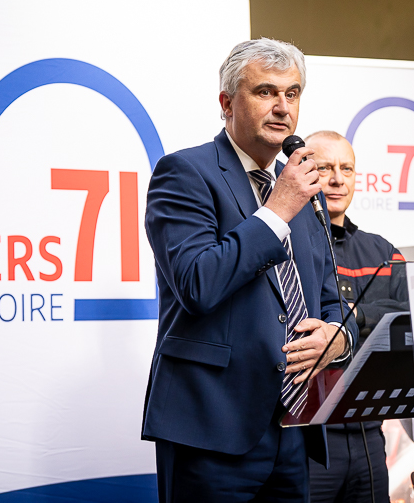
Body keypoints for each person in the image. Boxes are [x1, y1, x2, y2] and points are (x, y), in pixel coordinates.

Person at [142, 39, 355, 502]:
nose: (282, 107)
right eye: (265, 92)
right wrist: (277, 210)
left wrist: (338, 336)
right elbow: (197, 284)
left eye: (292, 94)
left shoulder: (305, 189)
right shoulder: (184, 173)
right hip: (211, 427)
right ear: (226, 103)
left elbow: (331, 299)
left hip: (293, 427)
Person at [305, 131, 409, 503]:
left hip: (369, 437)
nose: (337, 179)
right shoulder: (287, 246)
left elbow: (411, 317)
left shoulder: (382, 251)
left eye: (346, 168)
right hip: (308, 440)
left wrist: (354, 318)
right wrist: (373, 324)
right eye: (325, 168)